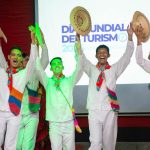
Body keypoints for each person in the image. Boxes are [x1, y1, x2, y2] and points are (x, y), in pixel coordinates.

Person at [78, 23, 135, 150]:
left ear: (108, 55)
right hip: (93, 110)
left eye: (105, 52)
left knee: (109, 144)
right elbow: (81, 58)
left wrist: (130, 37)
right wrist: (78, 41)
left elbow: (126, 57)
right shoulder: (91, 69)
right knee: (95, 143)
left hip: (110, 110)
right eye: (99, 52)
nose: (102, 54)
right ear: (96, 56)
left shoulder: (114, 69)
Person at [36, 35, 83, 150]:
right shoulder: (47, 82)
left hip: (68, 122)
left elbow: (80, 67)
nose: (57, 65)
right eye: (54, 64)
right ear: (51, 68)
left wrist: (78, 47)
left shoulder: (69, 81)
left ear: (62, 66)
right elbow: (37, 67)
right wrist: (38, 45)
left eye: (59, 63)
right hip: (54, 123)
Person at [0, 27, 38, 150]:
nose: (16, 57)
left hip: (15, 113)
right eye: (13, 55)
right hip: (0, 113)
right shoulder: (2, 71)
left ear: (21, 59)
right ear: (9, 57)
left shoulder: (23, 74)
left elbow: (32, 62)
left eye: (18, 55)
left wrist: (33, 43)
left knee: (10, 146)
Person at [16, 30, 49, 150]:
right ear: (21, 63)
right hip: (17, 115)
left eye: (29, 60)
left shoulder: (35, 73)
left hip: (31, 114)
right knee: (17, 146)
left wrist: (42, 43)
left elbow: (44, 59)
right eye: (26, 60)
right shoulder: (15, 76)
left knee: (27, 146)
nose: (28, 61)